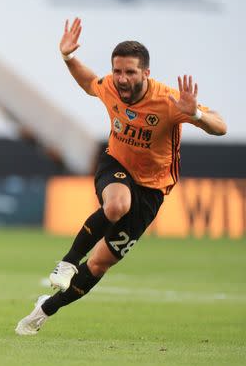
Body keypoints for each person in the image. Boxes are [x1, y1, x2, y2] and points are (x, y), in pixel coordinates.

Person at [16, 18, 227, 335]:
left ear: (146, 74)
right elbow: (89, 81)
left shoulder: (169, 102)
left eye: (130, 72)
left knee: (100, 264)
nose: (122, 79)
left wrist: (196, 114)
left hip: (152, 190)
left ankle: (45, 308)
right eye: (117, 71)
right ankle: (68, 261)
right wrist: (68, 57)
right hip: (115, 164)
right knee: (116, 205)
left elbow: (220, 126)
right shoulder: (110, 88)